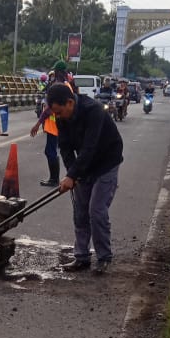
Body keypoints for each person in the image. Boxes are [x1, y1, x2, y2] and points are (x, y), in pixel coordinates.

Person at [45, 82, 123, 274]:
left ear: (70, 103)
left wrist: (72, 175)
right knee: (80, 211)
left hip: (106, 162)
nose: (57, 116)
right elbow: (64, 147)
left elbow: (90, 147)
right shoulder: (61, 117)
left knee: (96, 210)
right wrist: (72, 172)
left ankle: (104, 257)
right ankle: (81, 257)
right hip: (84, 165)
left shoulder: (93, 111)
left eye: (59, 111)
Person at [30, 70, 74, 187]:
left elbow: (50, 109)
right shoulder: (66, 85)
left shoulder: (59, 87)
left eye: (54, 75)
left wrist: (38, 123)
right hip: (54, 126)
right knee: (51, 151)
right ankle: (54, 178)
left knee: (51, 152)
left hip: (54, 127)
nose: (52, 77)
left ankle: (54, 179)